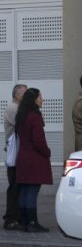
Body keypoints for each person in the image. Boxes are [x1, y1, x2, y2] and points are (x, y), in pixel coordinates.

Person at [15, 88, 52, 232]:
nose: (42, 100)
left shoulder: (21, 115)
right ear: (34, 100)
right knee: (32, 191)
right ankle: (32, 222)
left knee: (24, 190)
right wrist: (47, 152)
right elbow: (39, 141)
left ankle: (24, 221)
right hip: (34, 159)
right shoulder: (34, 117)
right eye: (40, 97)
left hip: (23, 157)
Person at [3, 84, 27, 230]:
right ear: (17, 95)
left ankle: (16, 217)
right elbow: (23, 125)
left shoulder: (17, 108)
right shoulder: (13, 108)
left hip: (18, 153)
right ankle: (10, 219)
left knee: (18, 186)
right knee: (14, 186)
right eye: (25, 94)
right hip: (15, 154)